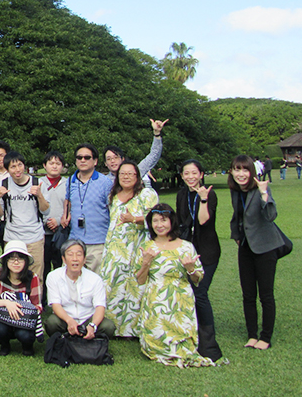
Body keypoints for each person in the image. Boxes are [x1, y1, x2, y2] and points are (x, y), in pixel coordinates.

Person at [135, 204, 215, 367]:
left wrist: (191, 269)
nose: (159, 225)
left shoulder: (186, 246)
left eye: (163, 221)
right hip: (155, 300)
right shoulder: (147, 247)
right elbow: (140, 280)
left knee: (183, 345)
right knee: (155, 342)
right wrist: (146, 263)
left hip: (180, 299)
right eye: (155, 221)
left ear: (172, 222)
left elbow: (197, 279)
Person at [229, 155, 285, 351]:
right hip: (245, 246)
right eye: (237, 169)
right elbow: (237, 216)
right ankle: (252, 335)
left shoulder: (261, 188)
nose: (241, 174)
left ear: (251, 171)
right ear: (232, 172)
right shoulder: (236, 191)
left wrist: (263, 194)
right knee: (248, 294)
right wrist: (236, 234)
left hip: (265, 247)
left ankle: (265, 337)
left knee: (266, 295)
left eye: (245, 169)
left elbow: (270, 216)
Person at [100, 161, 157, 337]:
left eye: (130, 174)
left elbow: (157, 218)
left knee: (135, 287)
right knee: (112, 285)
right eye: (122, 174)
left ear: (137, 176)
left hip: (137, 248)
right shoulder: (114, 195)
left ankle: (132, 330)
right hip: (115, 249)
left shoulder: (147, 194)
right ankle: (112, 327)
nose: (126, 177)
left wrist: (135, 219)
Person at [176, 159, 224, 360]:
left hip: (207, 250)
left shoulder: (209, 194)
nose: (190, 177)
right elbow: (179, 221)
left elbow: (204, 220)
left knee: (200, 292)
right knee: (188, 292)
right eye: (186, 173)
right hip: (187, 249)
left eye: (194, 173)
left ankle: (207, 339)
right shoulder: (182, 194)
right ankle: (189, 330)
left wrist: (203, 199)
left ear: (201, 174)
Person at [0, 151, 49, 282]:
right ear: (7, 169)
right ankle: (15, 302)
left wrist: (39, 196)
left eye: (20, 165)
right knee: (13, 276)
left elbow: (45, 211)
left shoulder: (38, 183)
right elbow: (0, 214)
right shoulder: (4, 185)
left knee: (36, 277)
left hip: (34, 237)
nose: (17, 169)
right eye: (13, 167)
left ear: (24, 166)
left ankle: (34, 302)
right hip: (12, 237)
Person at [45, 239, 115, 339]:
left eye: (79, 254)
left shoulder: (95, 279)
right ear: (64, 259)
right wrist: (69, 320)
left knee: (108, 326)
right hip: (66, 319)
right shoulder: (53, 276)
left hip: (87, 318)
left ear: (84, 259)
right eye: (70, 255)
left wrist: (92, 325)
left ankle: (89, 337)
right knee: (52, 323)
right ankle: (66, 339)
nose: (75, 259)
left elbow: (100, 307)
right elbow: (55, 305)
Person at [0, 241, 42, 357]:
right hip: (4, 317)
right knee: (0, 329)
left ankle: (27, 346)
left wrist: (20, 310)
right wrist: (6, 303)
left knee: (24, 334)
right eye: (11, 258)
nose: (16, 262)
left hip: (25, 319)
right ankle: (4, 346)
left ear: (26, 261)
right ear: (5, 261)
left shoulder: (32, 277)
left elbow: (38, 307)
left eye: (20, 259)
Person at [62, 144, 112, 272]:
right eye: (79, 157)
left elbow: (112, 208)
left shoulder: (105, 182)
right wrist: (65, 214)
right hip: (75, 240)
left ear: (95, 161)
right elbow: (68, 200)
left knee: (96, 281)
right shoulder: (70, 181)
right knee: (71, 279)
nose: (82, 160)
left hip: (98, 241)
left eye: (87, 157)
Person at [103, 118, 168, 183]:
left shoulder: (135, 172)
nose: (113, 161)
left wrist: (156, 134)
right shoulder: (104, 182)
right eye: (109, 159)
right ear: (105, 163)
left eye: (116, 157)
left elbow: (153, 156)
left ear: (122, 159)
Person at [39, 151, 68, 278]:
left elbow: (70, 206)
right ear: (45, 165)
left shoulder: (68, 183)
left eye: (58, 163)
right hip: (42, 232)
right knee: (43, 267)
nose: (54, 166)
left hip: (61, 230)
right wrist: (47, 220)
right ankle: (43, 297)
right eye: (51, 163)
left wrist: (58, 220)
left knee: (60, 266)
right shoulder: (38, 183)